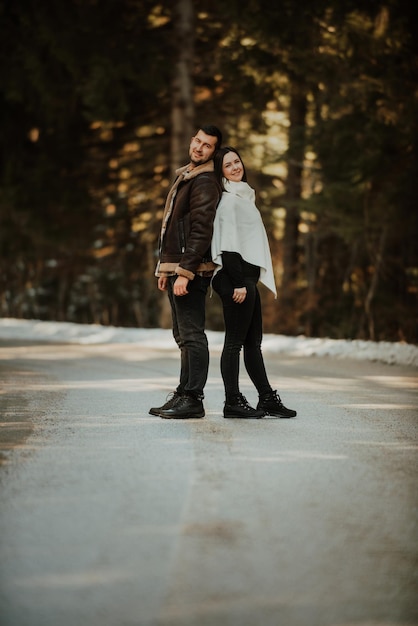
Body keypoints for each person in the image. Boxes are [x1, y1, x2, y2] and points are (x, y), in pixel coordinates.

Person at [211, 147, 297, 419]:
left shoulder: (244, 196)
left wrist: (246, 282)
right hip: (235, 280)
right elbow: (228, 247)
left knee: (252, 343)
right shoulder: (229, 201)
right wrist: (238, 283)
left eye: (237, 161)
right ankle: (232, 401)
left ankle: (267, 399)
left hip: (246, 280)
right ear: (220, 172)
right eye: (228, 165)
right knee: (235, 343)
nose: (236, 167)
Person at [149, 125, 223, 419]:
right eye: (198, 141)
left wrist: (185, 272)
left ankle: (194, 397)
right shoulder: (187, 176)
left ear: (213, 153)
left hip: (191, 269)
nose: (199, 147)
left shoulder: (204, 181)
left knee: (192, 334)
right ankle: (183, 392)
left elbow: (200, 231)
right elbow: (172, 226)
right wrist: (165, 268)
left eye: (207, 146)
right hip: (177, 266)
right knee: (182, 334)